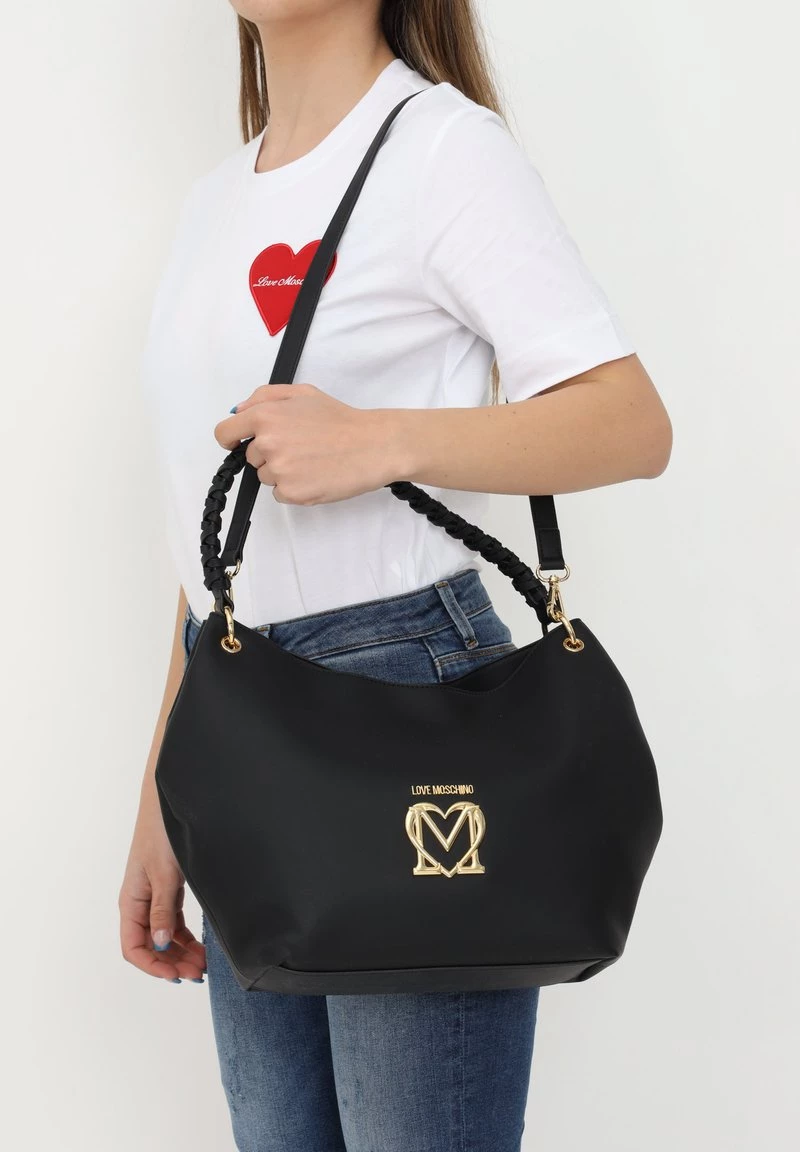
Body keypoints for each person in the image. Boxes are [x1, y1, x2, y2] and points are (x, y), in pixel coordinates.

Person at [118, 2, 672, 1149]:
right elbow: (206, 543)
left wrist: (380, 442)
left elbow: (630, 423)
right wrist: (164, 791)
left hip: (407, 703)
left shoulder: (441, 150)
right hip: (241, 724)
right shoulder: (215, 200)